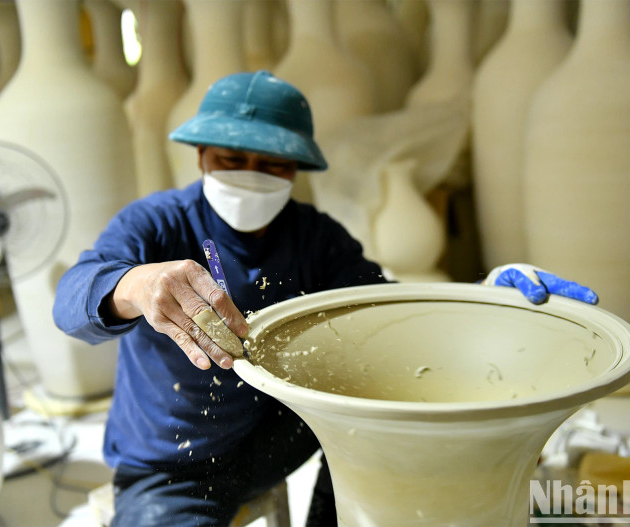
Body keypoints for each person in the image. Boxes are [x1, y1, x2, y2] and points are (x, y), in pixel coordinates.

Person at [52, 70, 597, 527]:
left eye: (272, 166)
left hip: (276, 430)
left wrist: (483, 300)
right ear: (200, 156)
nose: (251, 177)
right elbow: (71, 300)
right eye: (230, 159)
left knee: (382, 431)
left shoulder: (314, 237)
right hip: (175, 461)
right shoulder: (157, 224)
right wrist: (135, 286)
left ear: (297, 170)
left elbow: (395, 319)